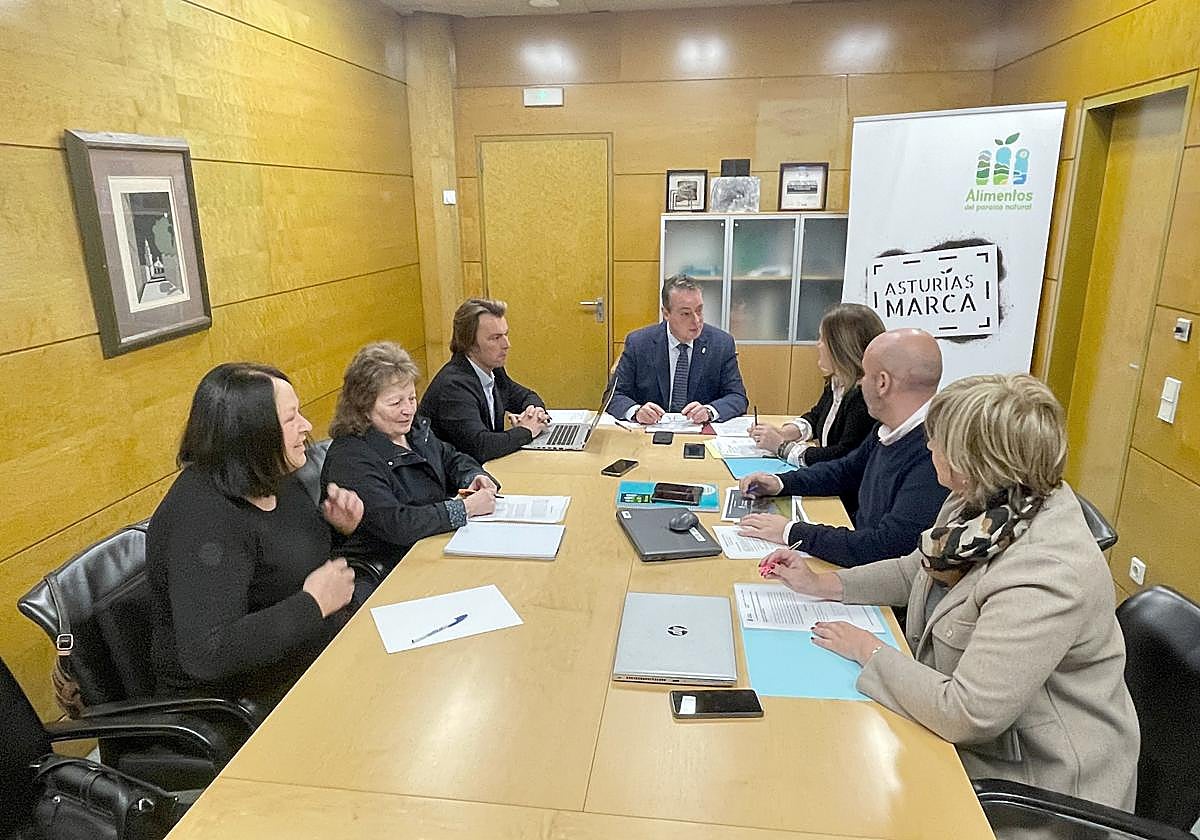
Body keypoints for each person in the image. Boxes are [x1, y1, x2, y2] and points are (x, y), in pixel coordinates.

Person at [757, 374, 1139, 813]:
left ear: (972, 460)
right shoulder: (982, 504)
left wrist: (868, 650)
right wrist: (822, 584)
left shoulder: (1046, 573)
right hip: (971, 743)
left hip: (1034, 787)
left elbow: (966, 713)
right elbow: (917, 570)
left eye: (936, 441)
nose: (928, 449)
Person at [147, 363, 363, 706]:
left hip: (312, 660)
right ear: (252, 433)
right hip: (242, 702)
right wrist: (312, 605)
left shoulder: (270, 474)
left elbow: (285, 566)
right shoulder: (204, 517)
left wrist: (340, 529)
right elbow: (207, 653)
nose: (306, 426)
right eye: (292, 418)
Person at [737, 328, 947, 566]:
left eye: (864, 375)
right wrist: (781, 483)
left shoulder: (934, 454)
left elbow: (885, 547)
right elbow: (846, 470)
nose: (859, 383)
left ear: (882, 383)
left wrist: (791, 532)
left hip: (878, 585)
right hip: (859, 557)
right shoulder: (889, 428)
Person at [322, 341, 499, 577]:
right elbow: (397, 523)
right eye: (395, 403)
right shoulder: (350, 458)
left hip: (436, 546)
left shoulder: (413, 431)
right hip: (393, 569)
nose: (408, 410)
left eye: (412, 399)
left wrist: (473, 476)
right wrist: (464, 509)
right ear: (363, 407)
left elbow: (451, 458)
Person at [749, 303, 884, 469]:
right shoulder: (838, 381)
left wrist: (782, 447)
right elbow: (816, 416)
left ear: (841, 348)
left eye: (822, 339)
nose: (817, 344)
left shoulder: (864, 397)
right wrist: (786, 432)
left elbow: (842, 456)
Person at [418, 298, 549, 463]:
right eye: (495, 338)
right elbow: (481, 446)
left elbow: (526, 396)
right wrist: (526, 430)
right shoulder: (454, 386)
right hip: (455, 483)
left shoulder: (493, 369)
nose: (506, 344)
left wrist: (531, 413)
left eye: (506, 335)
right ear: (470, 344)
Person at [608, 274, 748, 425]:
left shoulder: (721, 344)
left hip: (700, 434)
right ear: (666, 313)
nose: (696, 320)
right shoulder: (639, 343)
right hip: (650, 433)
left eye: (699, 310)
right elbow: (613, 395)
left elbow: (737, 397)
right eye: (686, 314)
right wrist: (636, 412)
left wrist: (709, 410)